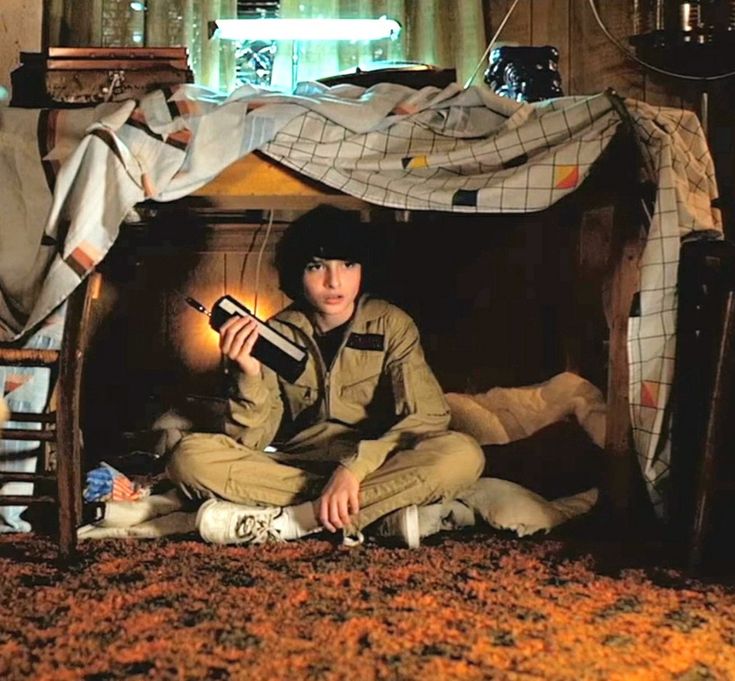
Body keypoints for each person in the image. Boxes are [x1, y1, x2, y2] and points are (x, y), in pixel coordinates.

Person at [166, 204, 484, 547]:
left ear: (364, 267)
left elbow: (427, 417)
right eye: (317, 267)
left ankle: (298, 520)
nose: (334, 282)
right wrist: (249, 374)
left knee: (463, 454)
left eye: (348, 264)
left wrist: (353, 469)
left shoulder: (391, 324)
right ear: (297, 273)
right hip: (297, 469)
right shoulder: (277, 333)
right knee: (188, 457)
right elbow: (250, 441)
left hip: (376, 466)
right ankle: (373, 514)